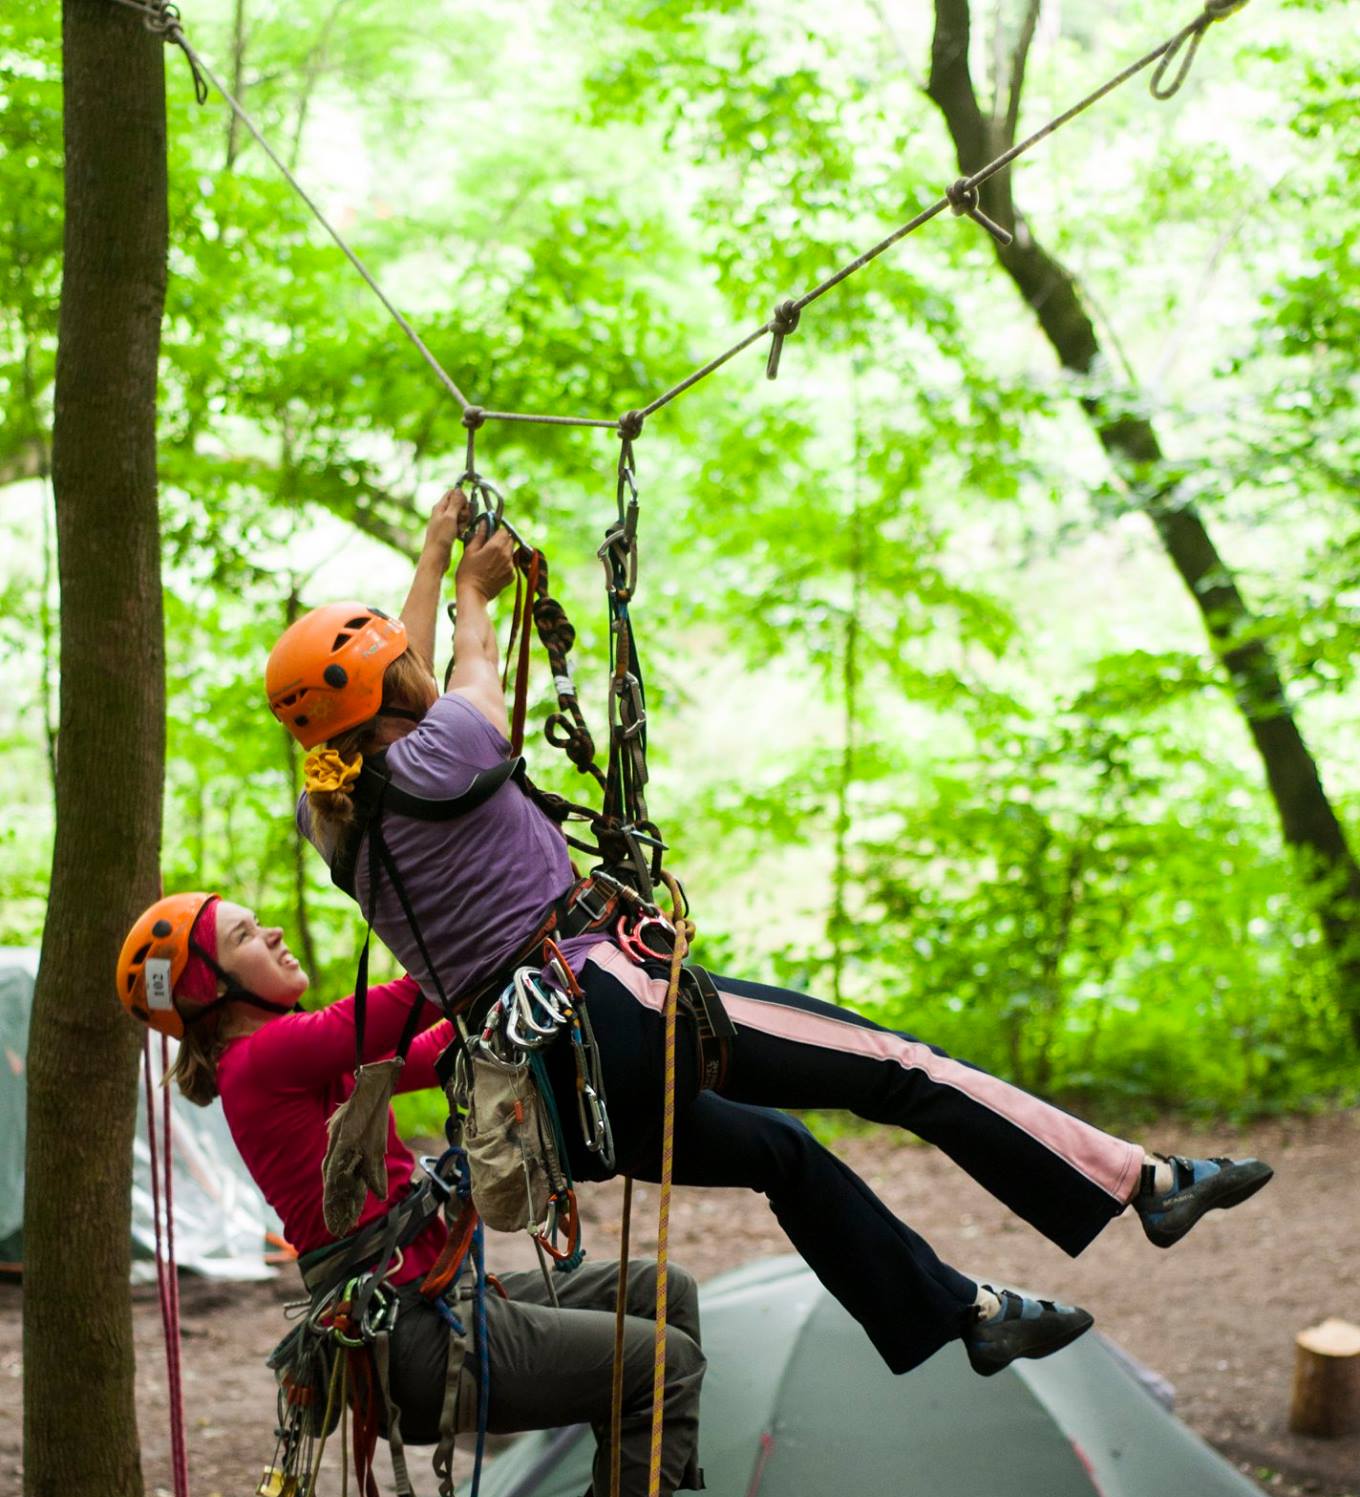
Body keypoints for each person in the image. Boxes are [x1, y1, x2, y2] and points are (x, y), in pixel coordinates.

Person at [267, 488, 1273, 1382]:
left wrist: (439, 551)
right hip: (610, 1008)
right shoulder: (444, 746)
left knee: (782, 1154)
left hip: (549, 1101)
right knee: (896, 1066)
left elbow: (398, 696)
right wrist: (471, 592)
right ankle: (1143, 1180)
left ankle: (965, 1312)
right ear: (398, 690)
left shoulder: (337, 818)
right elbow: (469, 677)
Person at [116, 889, 717, 1497]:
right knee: (664, 1367)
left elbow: (435, 1051)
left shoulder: (296, 1060)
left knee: (661, 1292)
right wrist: (518, 901)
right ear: (213, 990)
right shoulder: (264, 1058)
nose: (268, 931)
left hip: (436, 1305)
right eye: (244, 936)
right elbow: (418, 996)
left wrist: (546, 985)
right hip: (419, 1343)